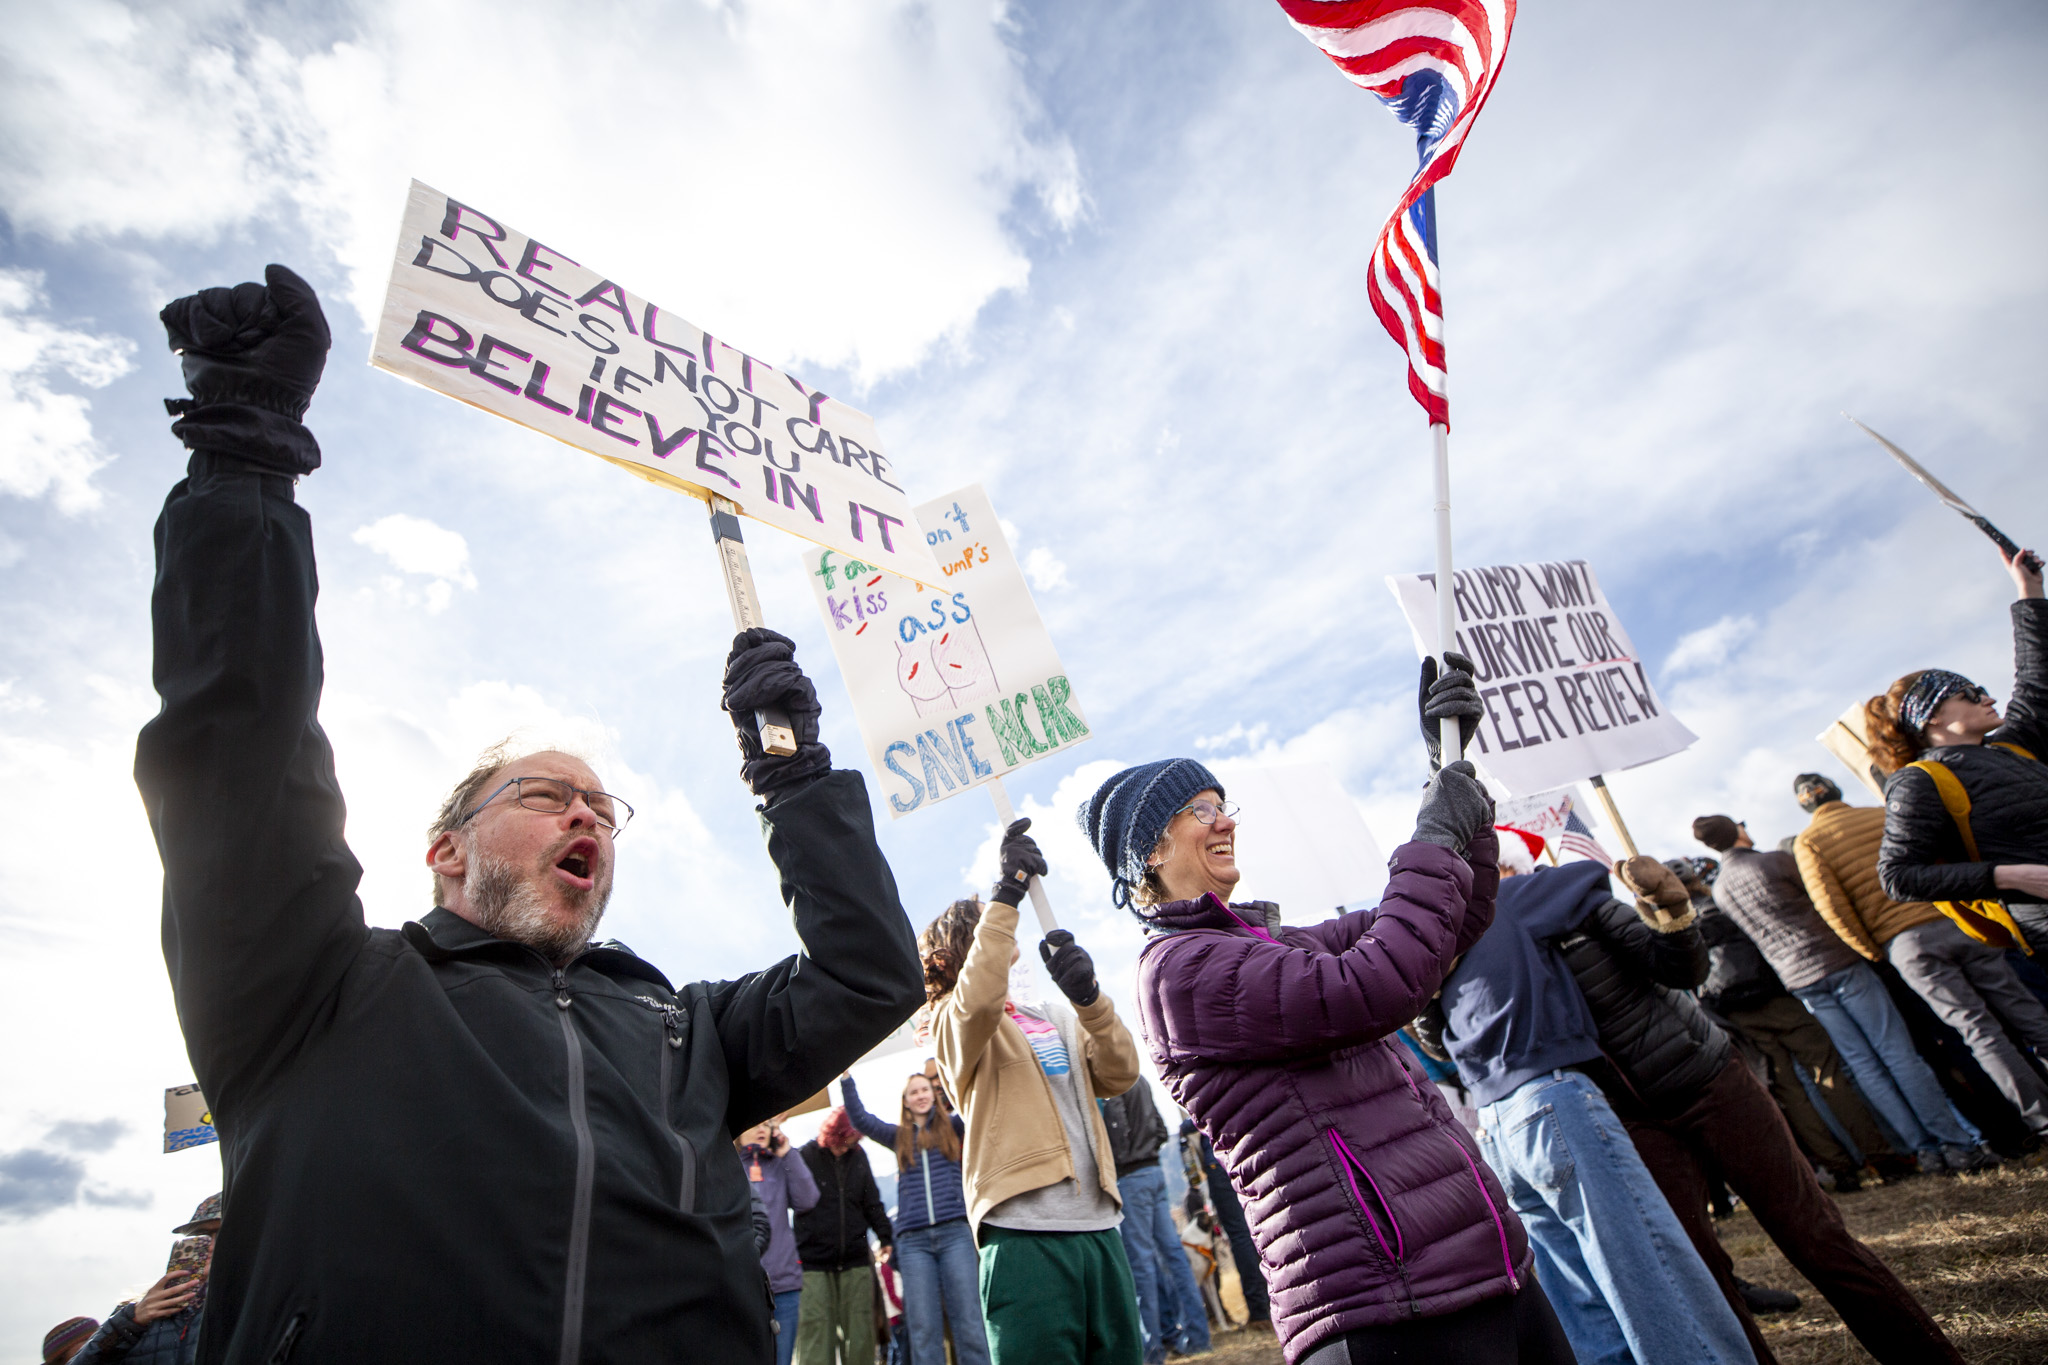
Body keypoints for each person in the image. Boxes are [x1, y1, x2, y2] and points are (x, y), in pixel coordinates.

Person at [131, 265, 924, 1361]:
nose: (586, 818)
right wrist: (243, 460)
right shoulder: (313, 991)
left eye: (602, 806)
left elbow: (867, 976)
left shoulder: (686, 1035)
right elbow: (238, 750)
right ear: (444, 850)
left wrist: (792, 773)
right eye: (548, 796)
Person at [1101, 655, 1577, 1365]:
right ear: (1151, 850)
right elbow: (1376, 983)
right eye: (1199, 809)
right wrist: (1434, 830)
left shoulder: (1274, 943)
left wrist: (1444, 774)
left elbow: (1436, 932)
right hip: (1382, 1302)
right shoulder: (1179, 972)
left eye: (1222, 802)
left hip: (1472, 1264)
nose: (1223, 819)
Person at [1553, 855, 1964, 1365]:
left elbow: (1685, 969)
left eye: (1504, 869)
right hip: (1629, 1120)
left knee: (1814, 1235)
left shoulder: (1578, 904)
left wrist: (1673, 909)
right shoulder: (1489, 948)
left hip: (1708, 1079)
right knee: (1700, 1278)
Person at [1417, 837, 1750, 1365]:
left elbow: (1435, 1042)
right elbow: (1580, 879)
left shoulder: (1432, 937)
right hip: (1553, 1101)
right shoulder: (1511, 898)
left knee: (1581, 1302)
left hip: (1497, 1129)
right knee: (1646, 1266)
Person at [923, 824, 1145, 1365]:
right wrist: (1009, 891)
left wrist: (1090, 1001)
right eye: (990, 930)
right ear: (966, 951)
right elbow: (979, 998)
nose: (1008, 931)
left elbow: (1120, 1072)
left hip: (1099, 1223)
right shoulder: (952, 1024)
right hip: (1025, 1233)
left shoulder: (1051, 1016)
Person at [1696, 814, 1996, 1173]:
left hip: (1798, 978)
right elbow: (1822, 900)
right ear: (1737, 831)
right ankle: (1957, 1142)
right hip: (1836, 962)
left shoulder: (1722, 888)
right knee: (1897, 1053)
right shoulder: (1773, 861)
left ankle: (1924, 1148)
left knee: (1862, 1063)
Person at [1795, 772, 2048, 1142]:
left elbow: (1832, 908)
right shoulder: (1882, 814)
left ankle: (2041, 1118)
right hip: (1954, 920)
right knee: (2023, 1008)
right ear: (1836, 791)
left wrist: (1874, 950)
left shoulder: (1809, 843)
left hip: (1907, 945)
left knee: (1976, 1030)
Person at [1870, 546, 2048, 955]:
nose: (1987, 698)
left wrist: (2029, 590)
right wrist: (2009, 876)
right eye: (1970, 693)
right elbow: (1898, 877)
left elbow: (2037, 678)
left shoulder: (2013, 747)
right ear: (1931, 716)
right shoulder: (1920, 781)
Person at [1685, 856, 1895, 1188]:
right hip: (1778, 998)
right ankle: (1881, 1157)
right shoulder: (1725, 904)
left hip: (1738, 1013)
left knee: (1789, 1089)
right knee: (1828, 1073)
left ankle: (1839, 1168)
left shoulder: (1683, 927)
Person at [840, 1068, 990, 1365]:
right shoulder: (898, 1138)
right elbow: (861, 1119)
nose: (920, 1096)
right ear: (905, 1102)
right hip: (913, 1243)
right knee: (922, 1327)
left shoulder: (953, 1128)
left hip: (955, 1234)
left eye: (925, 1090)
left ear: (935, 1096)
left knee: (969, 1321)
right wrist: (845, 1079)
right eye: (914, 1092)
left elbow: (979, 1102)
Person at [1100, 1075, 1211, 1363]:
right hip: (1154, 1172)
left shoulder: (1110, 1083)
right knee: (1174, 1256)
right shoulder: (1139, 1079)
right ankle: (1197, 1338)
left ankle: (1152, 1352)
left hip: (1130, 1178)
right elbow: (1161, 1130)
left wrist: (1119, 1163)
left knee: (1142, 1267)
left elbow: (1118, 1129)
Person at [794, 1108, 895, 1365]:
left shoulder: (859, 1158)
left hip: (855, 1258)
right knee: (816, 1336)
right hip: (814, 1262)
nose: (846, 1147)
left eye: (852, 1142)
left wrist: (885, 1237)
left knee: (861, 1334)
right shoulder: (806, 1155)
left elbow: (872, 1202)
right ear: (833, 1134)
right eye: (844, 1141)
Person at [73, 1196, 222, 1365]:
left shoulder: (251, 1306)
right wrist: (129, 1322)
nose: (211, 1245)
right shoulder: (139, 1310)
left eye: (223, 1232)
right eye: (201, 1235)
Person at [1177, 1120, 1269, 1330]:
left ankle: (1260, 1312)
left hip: (1218, 1159)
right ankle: (1271, 1303)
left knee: (1240, 1235)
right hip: (1248, 1150)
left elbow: (1195, 1122)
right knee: (1258, 1226)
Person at [741, 1120, 820, 1365]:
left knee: (782, 1359)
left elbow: (808, 1199)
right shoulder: (728, 1166)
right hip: (745, 1283)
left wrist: (787, 1152)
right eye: (754, 1123)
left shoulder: (779, 1163)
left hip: (784, 1283)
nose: (762, 1128)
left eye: (768, 1123)